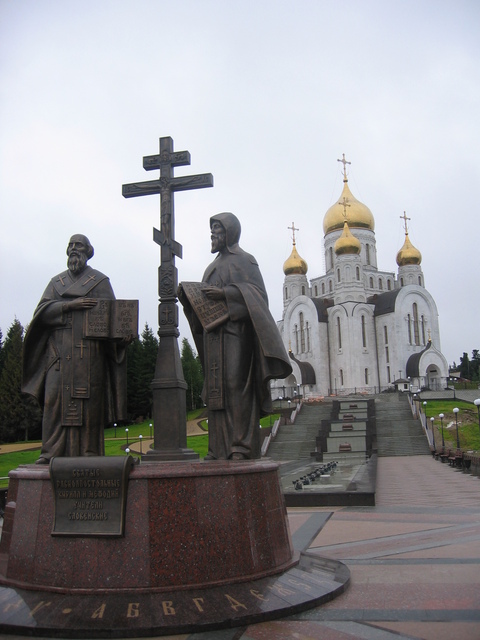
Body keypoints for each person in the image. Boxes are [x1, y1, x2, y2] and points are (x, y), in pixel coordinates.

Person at [179, 213, 292, 460]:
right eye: (212, 230)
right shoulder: (211, 268)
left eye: (217, 229)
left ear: (229, 233)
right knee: (216, 389)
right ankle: (217, 448)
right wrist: (190, 300)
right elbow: (204, 306)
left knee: (235, 385)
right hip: (214, 338)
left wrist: (225, 294)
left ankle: (241, 447)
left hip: (236, 334)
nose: (212, 234)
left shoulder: (246, 261)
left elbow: (258, 298)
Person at [23, 234, 130, 463]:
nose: (73, 249)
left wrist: (123, 338)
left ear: (88, 251)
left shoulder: (99, 282)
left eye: (78, 245)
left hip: (90, 354)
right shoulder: (56, 283)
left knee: (89, 403)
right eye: (70, 245)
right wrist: (70, 305)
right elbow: (41, 314)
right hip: (58, 355)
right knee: (54, 402)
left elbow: (113, 321)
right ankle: (50, 452)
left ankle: (89, 451)